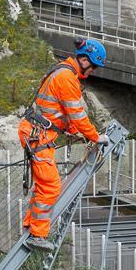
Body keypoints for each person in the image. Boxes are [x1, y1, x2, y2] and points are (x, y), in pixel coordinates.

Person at [19, 38, 109, 252]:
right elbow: (77, 114)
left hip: (38, 132)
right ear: (85, 60)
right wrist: (95, 136)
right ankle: (37, 235)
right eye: (94, 66)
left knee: (43, 183)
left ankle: (30, 225)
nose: (94, 71)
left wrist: (73, 132)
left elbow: (56, 111)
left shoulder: (62, 71)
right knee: (50, 185)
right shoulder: (67, 78)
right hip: (37, 135)